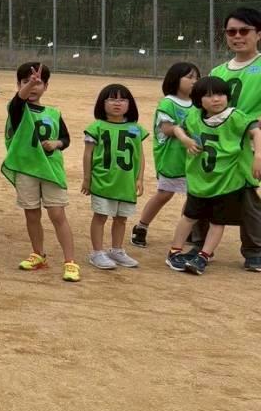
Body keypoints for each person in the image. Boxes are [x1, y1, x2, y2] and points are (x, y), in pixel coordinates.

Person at [165, 75, 261, 275]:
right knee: (189, 217)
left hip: (226, 182)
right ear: (199, 100)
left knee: (218, 221)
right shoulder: (194, 116)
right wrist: (184, 139)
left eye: (220, 94)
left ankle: (204, 256)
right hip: (200, 180)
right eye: (209, 96)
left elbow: (256, 132)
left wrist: (258, 155)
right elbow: (177, 128)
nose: (216, 99)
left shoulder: (235, 116)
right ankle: (174, 251)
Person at [194, 7, 261, 270]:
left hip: (246, 143)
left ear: (258, 34)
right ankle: (199, 242)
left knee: (246, 195)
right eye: (231, 32)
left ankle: (254, 249)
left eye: (244, 31)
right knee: (205, 187)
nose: (237, 36)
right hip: (215, 144)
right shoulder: (218, 71)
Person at [3, 63, 80, 282]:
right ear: (19, 85)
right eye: (26, 82)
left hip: (50, 170)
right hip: (26, 169)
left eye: (38, 83)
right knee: (32, 214)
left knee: (57, 215)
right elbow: (18, 100)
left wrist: (57, 143)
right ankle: (38, 254)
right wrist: (30, 85)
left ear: (46, 86)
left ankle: (70, 261)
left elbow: (65, 139)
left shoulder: (54, 113)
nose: (33, 86)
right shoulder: (17, 109)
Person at [130, 62, 199, 247]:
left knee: (193, 195)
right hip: (171, 157)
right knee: (164, 194)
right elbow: (166, 128)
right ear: (175, 79)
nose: (194, 81)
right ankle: (141, 226)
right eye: (189, 77)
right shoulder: (168, 102)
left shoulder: (198, 103)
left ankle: (187, 230)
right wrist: (182, 131)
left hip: (193, 157)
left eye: (197, 77)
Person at [80, 84, 146, 270]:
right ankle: (97, 252)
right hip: (103, 181)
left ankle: (117, 250)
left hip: (126, 183)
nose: (117, 103)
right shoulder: (97, 127)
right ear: (102, 103)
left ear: (129, 104)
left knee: (121, 218)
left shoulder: (135, 128)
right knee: (100, 216)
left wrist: (140, 178)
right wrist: (87, 178)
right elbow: (88, 154)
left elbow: (140, 155)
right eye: (112, 99)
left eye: (122, 99)